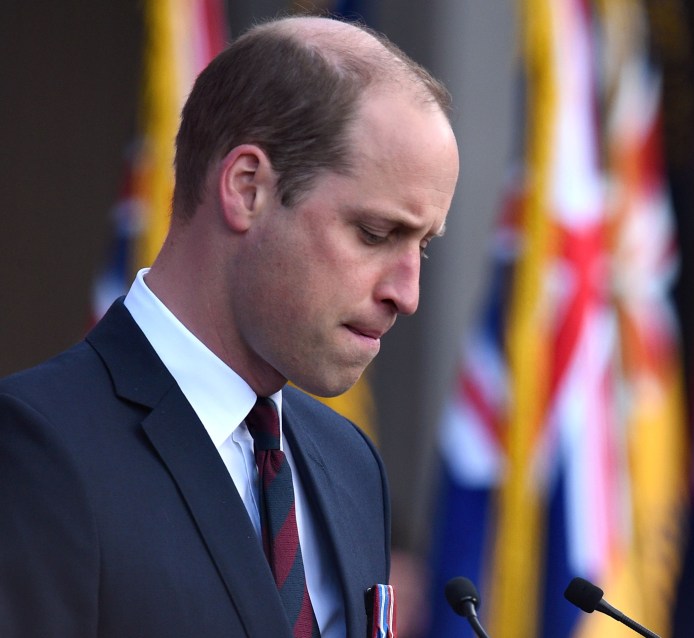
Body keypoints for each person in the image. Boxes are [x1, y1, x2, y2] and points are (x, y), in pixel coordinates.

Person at [0, 14, 459, 638]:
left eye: (423, 247)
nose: (406, 293)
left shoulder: (350, 464)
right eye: (376, 234)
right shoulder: (36, 448)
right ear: (247, 189)